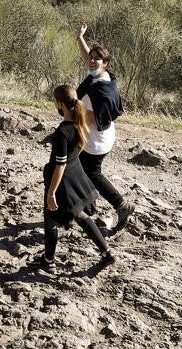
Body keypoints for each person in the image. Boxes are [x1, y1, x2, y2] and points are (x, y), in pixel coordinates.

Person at [31, 84, 115, 269]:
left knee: (50, 219)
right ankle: (106, 252)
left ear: (59, 103)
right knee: (80, 214)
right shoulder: (80, 123)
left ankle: (48, 261)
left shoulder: (62, 132)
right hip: (76, 174)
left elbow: (59, 165)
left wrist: (51, 193)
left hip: (62, 182)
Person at [75, 25, 135, 232]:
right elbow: (87, 58)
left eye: (96, 59)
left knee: (91, 173)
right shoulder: (103, 76)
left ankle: (121, 205)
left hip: (96, 139)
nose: (91, 61)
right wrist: (80, 38)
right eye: (90, 57)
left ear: (105, 63)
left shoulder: (99, 90)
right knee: (82, 170)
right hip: (103, 134)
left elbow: (89, 119)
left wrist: (71, 129)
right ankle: (89, 206)